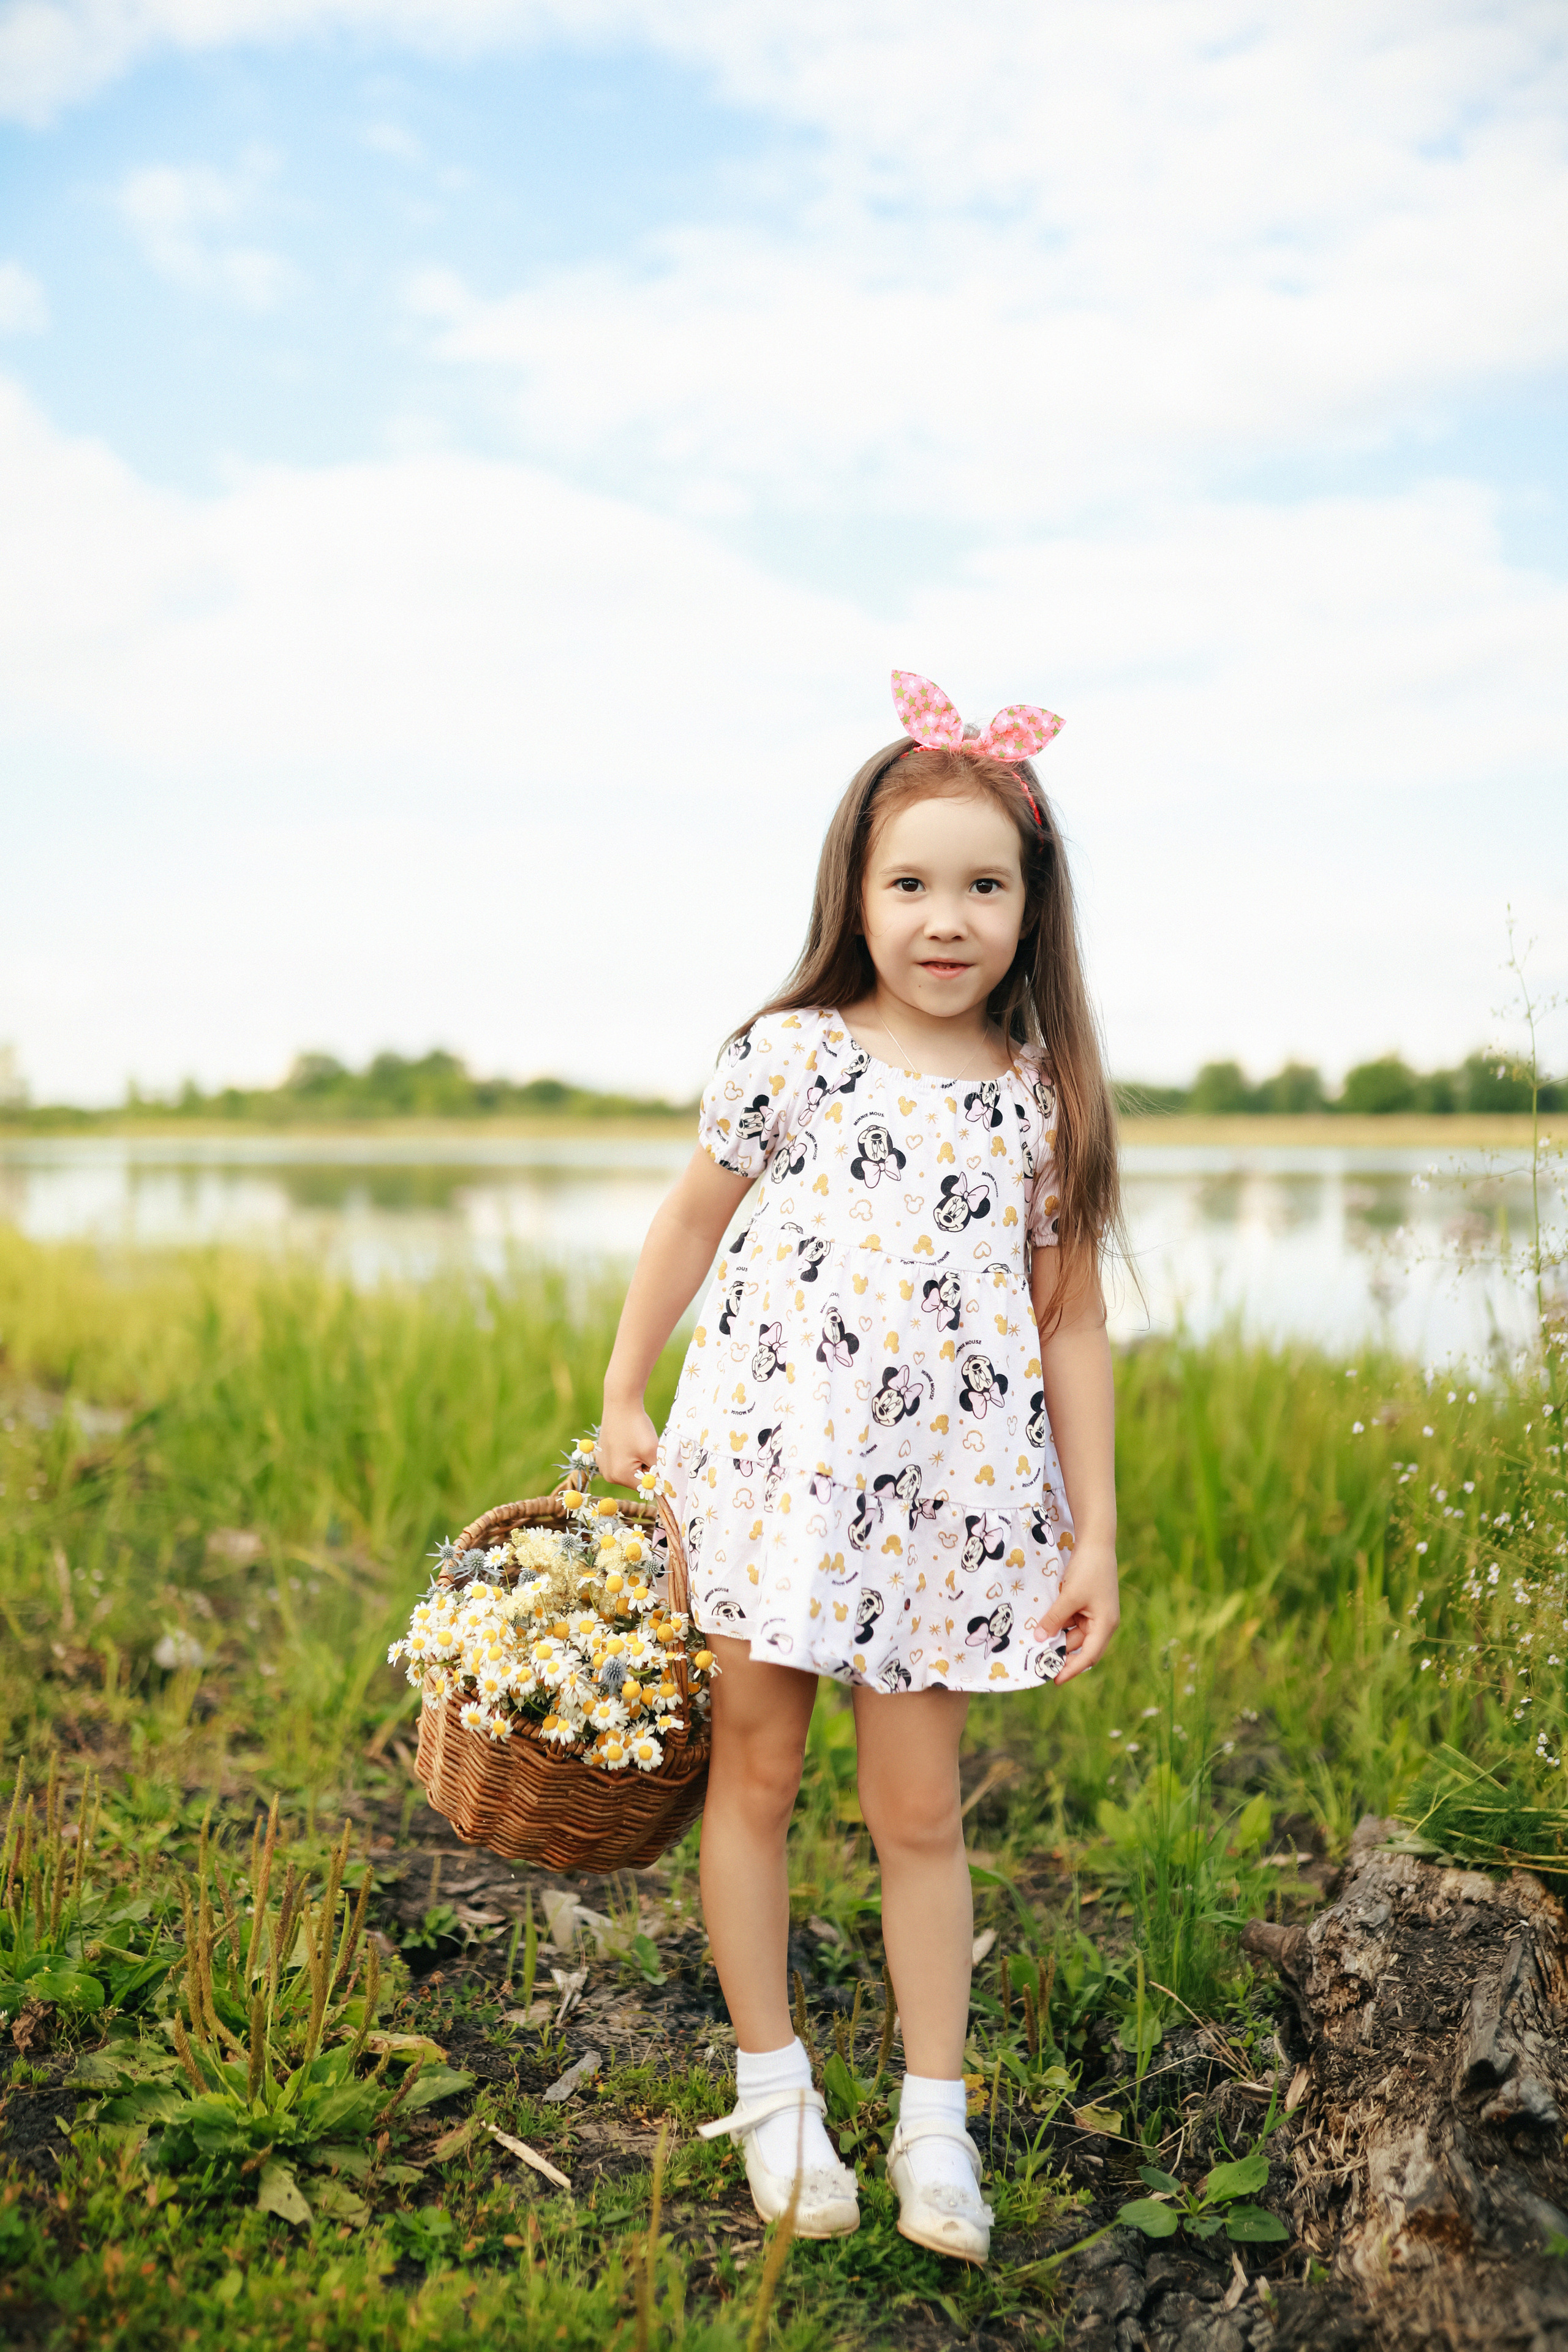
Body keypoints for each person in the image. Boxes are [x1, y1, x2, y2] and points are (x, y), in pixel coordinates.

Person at [598, 671, 1123, 2263]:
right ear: (857, 894)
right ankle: (773, 2090)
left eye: (983, 884)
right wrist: (627, 1393)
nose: (945, 917)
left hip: (949, 1513)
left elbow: (1073, 1325)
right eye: (911, 883)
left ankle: (932, 2122)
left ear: (1032, 910)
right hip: (771, 1480)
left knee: (918, 1813)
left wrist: (1093, 1528)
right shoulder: (794, 1056)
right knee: (751, 1778)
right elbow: (689, 1223)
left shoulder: (1038, 1100)